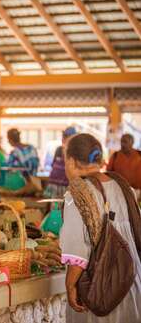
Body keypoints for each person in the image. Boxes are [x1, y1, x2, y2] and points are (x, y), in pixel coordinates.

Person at [60, 133, 141, 322]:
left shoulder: (77, 194)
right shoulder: (124, 187)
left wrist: (70, 285)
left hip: (103, 287)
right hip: (131, 280)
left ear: (71, 161)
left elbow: (79, 250)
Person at [44, 126, 77, 198]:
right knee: (54, 207)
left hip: (66, 187)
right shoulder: (59, 149)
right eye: (64, 136)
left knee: (65, 207)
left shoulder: (75, 153)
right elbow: (53, 165)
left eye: (67, 136)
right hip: (54, 186)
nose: (64, 138)